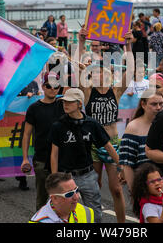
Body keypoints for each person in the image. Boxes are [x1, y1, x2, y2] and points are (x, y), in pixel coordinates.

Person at [76, 26, 134, 223]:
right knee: (94, 187)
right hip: (92, 145)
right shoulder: (87, 92)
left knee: (117, 189)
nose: (103, 75)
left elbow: (131, 70)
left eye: (106, 72)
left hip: (112, 142)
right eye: (98, 72)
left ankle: (122, 225)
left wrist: (128, 46)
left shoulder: (115, 92)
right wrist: (81, 43)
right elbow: (76, 69)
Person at [49, 88, 121, 223]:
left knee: (95, 215)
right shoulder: (58, 126)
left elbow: (108, 146)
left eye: (69, 102)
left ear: (79, 104)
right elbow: (54, 154)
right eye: (64, 102)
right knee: (64, 214)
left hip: (87, 175)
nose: (65, 105)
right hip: (66, 177)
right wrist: (55, 178)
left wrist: (121, 166)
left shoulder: (92, 124)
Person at [21, 72, 64, 208]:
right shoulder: (34, 108)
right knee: (42, 199)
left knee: (64, 198)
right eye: (49, 86)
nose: (53, 89)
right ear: (43, 87)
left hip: (62, 159)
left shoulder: (64, 106)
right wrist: (25, 159)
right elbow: (26, 135)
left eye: (56, 86)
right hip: (41, 159)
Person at [119, 89, 163, 190]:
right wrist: (133, 192)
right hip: (144, 185)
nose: (158, 108)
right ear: (143, 104)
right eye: (154, 104)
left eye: (161, 104)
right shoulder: (133, 127)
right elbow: (127, 164)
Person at [29, 172, 94, 223]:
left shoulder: (87, 212)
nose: (76, 197)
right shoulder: (38, 221)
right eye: (69, 194)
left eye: (76, 190)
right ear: (54, 198)